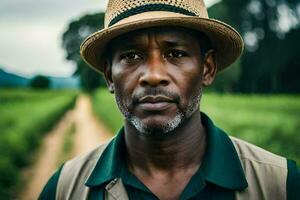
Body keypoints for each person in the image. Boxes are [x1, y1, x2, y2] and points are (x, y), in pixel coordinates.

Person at [39, 0, 299, 199]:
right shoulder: (64, 189)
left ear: (207, 69)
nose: (153, 76)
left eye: (175, 53)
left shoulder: (280, 184)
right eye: (131, 56)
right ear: (109, 76)